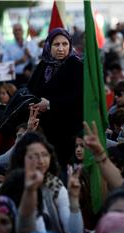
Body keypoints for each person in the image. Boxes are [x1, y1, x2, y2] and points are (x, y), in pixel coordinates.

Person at [9, 132, 84, 233]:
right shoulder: (11, 187)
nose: (41, 161)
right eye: (34, 156)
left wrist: (74, 200)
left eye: (44, 155)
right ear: (22, 158)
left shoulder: (55, 186)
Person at [28, 28, 83, 170]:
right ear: (48, 46)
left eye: (65, 44)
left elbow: (77, 98)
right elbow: (31, 88)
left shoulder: (76, 66)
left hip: (67, 131)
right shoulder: (43, 64)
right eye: (56, 44)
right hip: (44, 129)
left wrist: (51, 104)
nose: (61, 48)